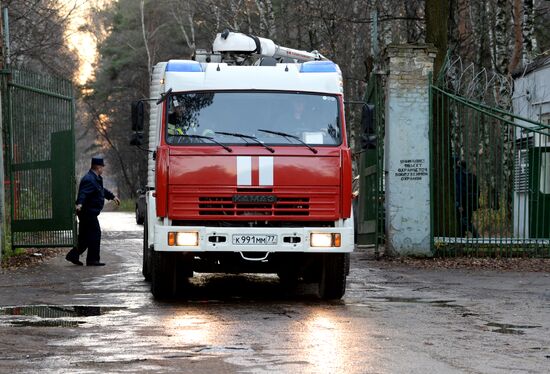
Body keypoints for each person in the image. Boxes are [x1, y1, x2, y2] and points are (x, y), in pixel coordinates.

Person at [65, 157, 120, 266]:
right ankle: (92, 260)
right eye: (102, 167)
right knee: (95, 234)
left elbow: (101, 190)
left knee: (85, 237)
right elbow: (83, 193)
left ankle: (73, 255)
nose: (103, 169)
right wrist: (79, 204)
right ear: (98, 167)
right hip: (87, 213)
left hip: (89, 213)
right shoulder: (89, 179)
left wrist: (112, 196)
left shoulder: (95, 178)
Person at [455, 159, 480, 238]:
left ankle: (476, 236)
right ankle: (462, 239)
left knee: (464, 221)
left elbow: (460, 191)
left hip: (463, 203)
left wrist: (459, 204)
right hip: (471, 202)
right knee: (466, 220)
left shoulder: (459, 175)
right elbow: (478, 190)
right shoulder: (472, 176)